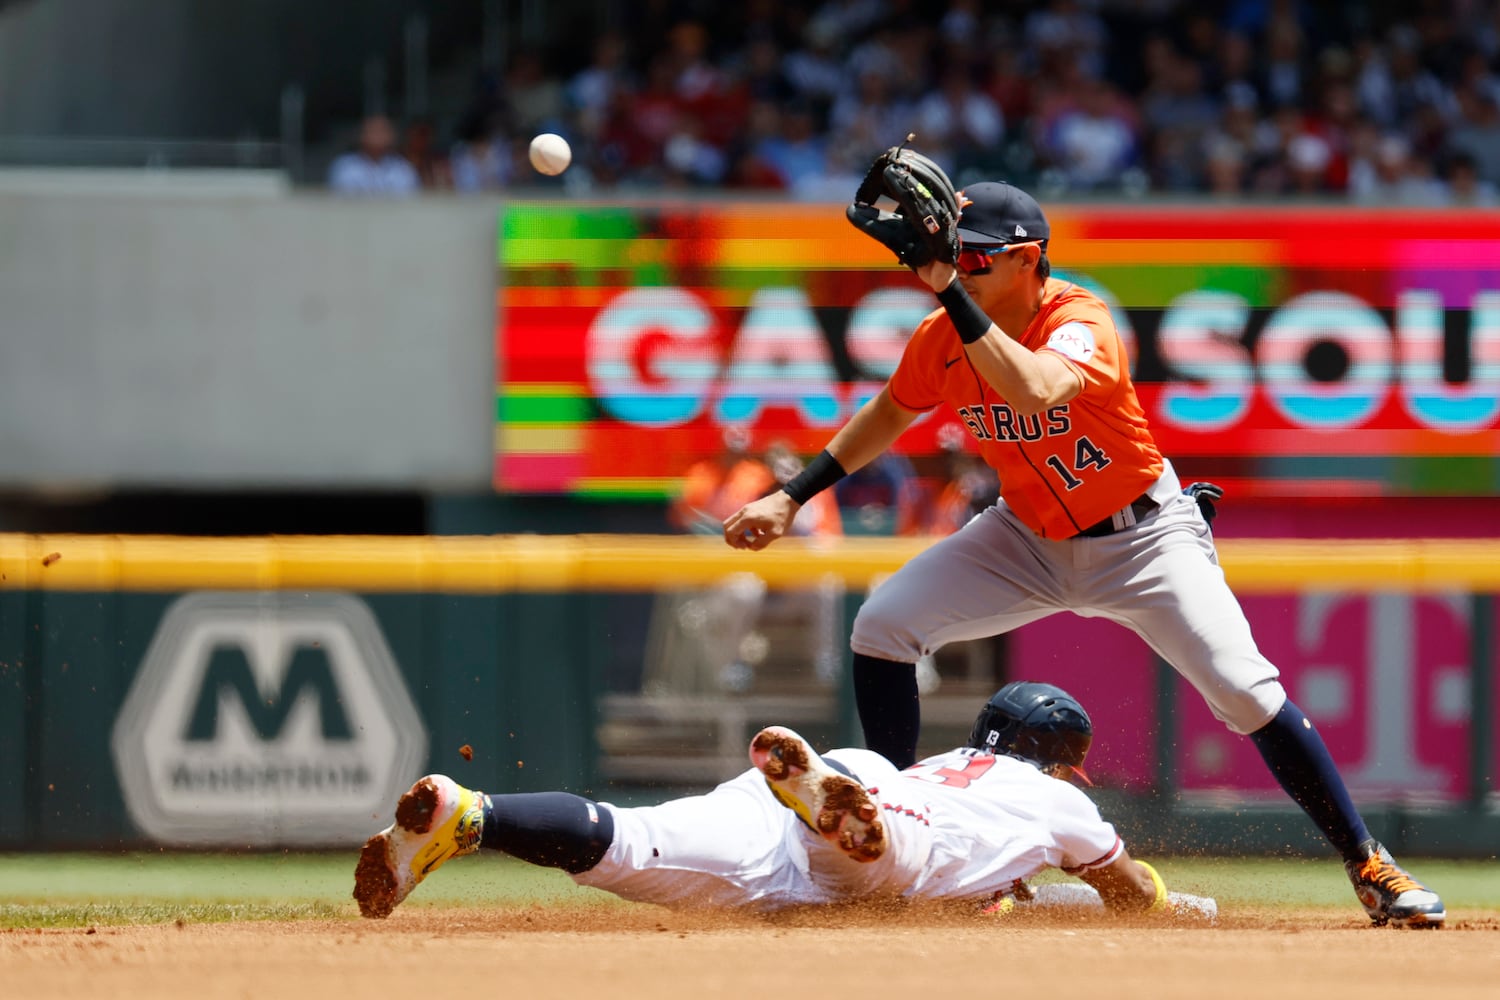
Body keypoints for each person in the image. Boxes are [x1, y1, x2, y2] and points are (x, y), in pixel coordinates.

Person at [720, 177, 1444, 928]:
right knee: (883, 626)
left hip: (1143, 539)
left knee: (1245, 692)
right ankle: (912, 840)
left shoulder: (1079, 319)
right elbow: (890, 412)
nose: (956, 266)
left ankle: (1371, 864)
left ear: (1028, 258)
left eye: (974, 258)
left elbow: (1033, 389)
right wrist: (793, 493)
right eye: (948, 254)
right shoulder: (943, 336)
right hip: (1024, 538)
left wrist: (947, 289)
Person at [353, 681, 1215, 921]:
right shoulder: (1056, 805)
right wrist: (1167, 902)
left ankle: (475, 815)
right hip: (892, 840)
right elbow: (1126, 891)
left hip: (845, 786)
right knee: (888, 854)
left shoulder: (960, 761)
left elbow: (1006, 886)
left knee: (631, 841)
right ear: (1065, 762)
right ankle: (839, 813)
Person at [327, 115, 420, 196]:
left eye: (382, 131)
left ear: (392, 137)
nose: (378, 136)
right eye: (373, 131)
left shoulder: (403, 168)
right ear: (361, 135)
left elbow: (409, 201)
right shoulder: (345, 166)